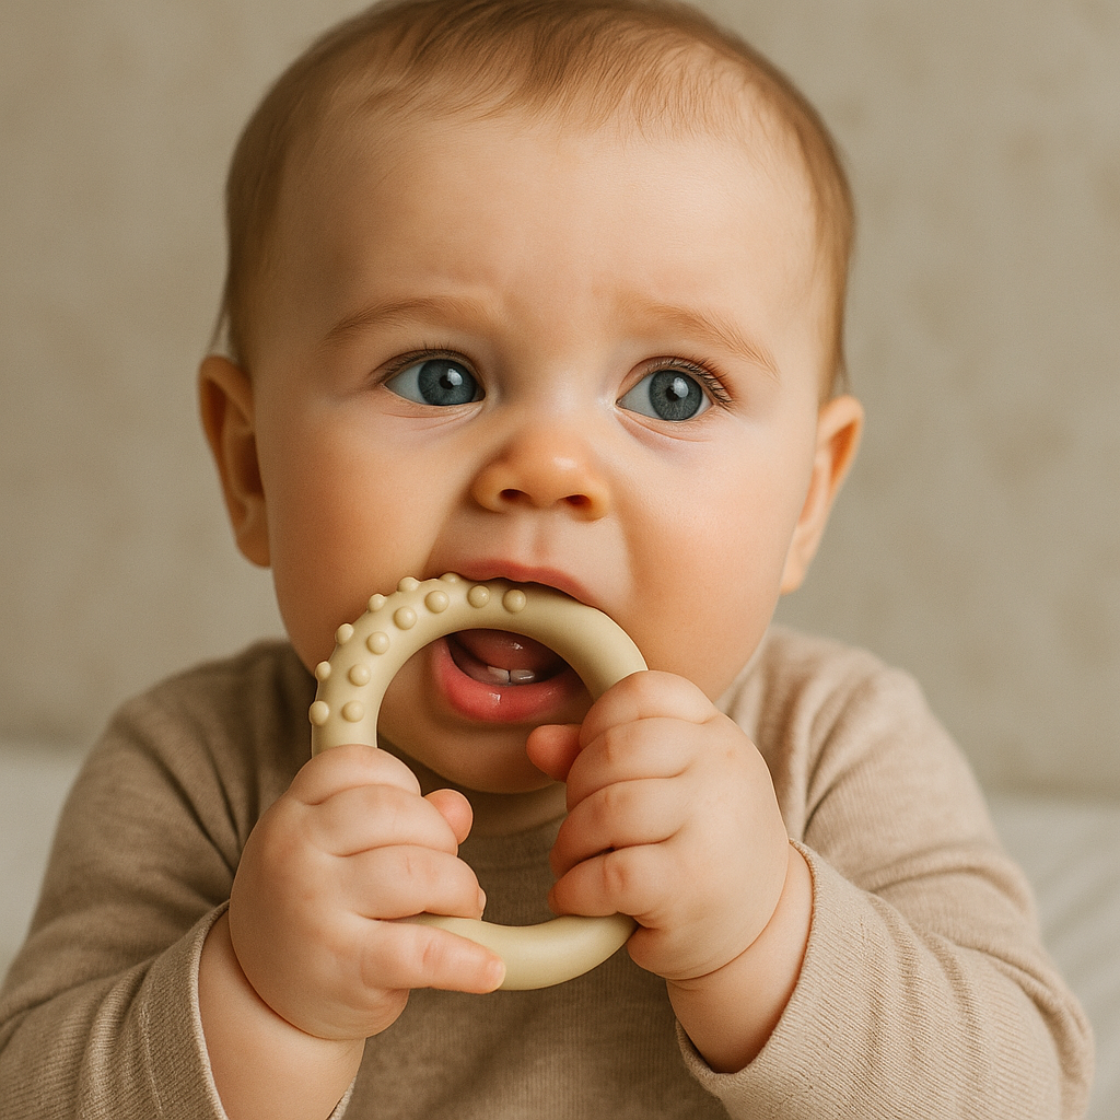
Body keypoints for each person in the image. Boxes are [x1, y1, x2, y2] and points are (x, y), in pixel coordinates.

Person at [0, 0, 1094, 1116]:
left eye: (672, 390)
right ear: (252, 469)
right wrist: (258, 998)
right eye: (439, 375)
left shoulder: (833, 749)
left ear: (805, 500)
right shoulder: (197, 771)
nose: (546, 467)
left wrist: (771, 932)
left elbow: (1029, 1090)